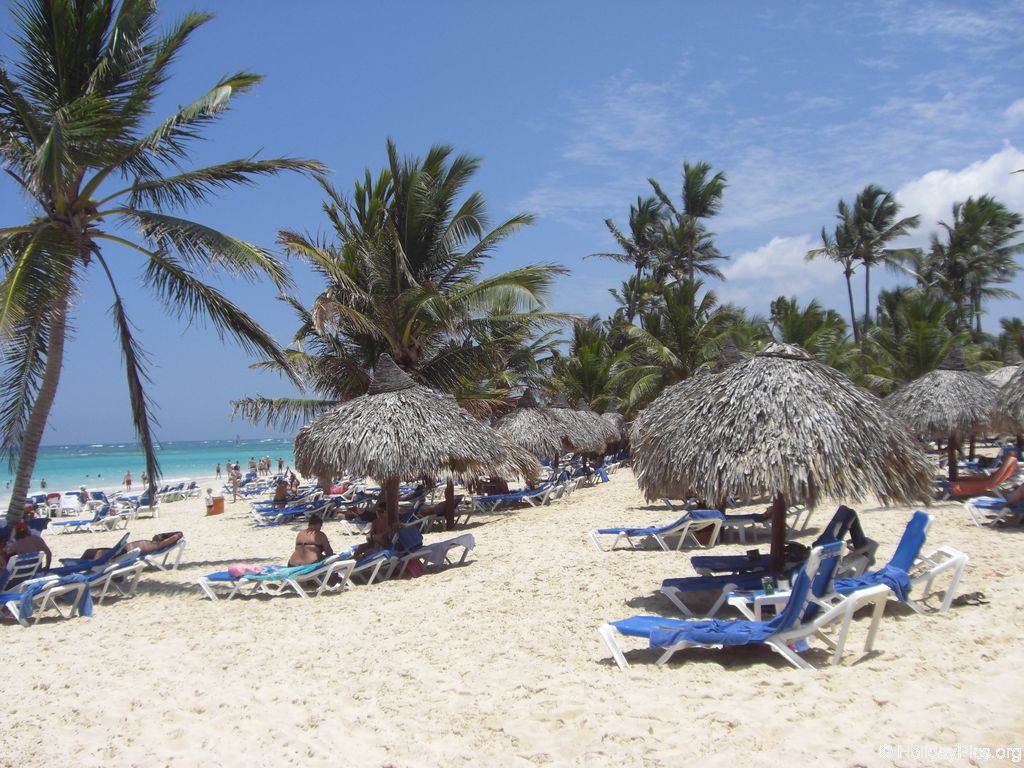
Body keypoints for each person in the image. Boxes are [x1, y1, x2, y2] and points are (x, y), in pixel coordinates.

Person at [80, 532, 183, 561]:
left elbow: (178, 535)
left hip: (124, 553)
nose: (155, 535)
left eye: (159, 535)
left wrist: (166, 535)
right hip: (120, 549)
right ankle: (80, 568)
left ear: (162, 538)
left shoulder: (159, 545)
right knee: (89, 552)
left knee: (99, 553)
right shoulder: (152, 543)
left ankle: (91, 572)